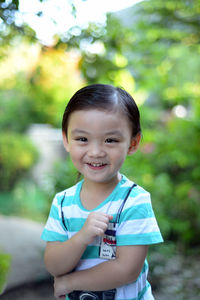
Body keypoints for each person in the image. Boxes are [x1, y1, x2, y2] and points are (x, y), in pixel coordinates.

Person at [41, 84, 163, 300]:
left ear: (133, 143)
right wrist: (82, 237)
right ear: (66, 140)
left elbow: (127, 269)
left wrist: (70, 282)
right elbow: (53, 264)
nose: (95, 152)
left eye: (110, 140)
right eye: (82, 139)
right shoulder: (62, 203)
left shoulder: (133, 202)